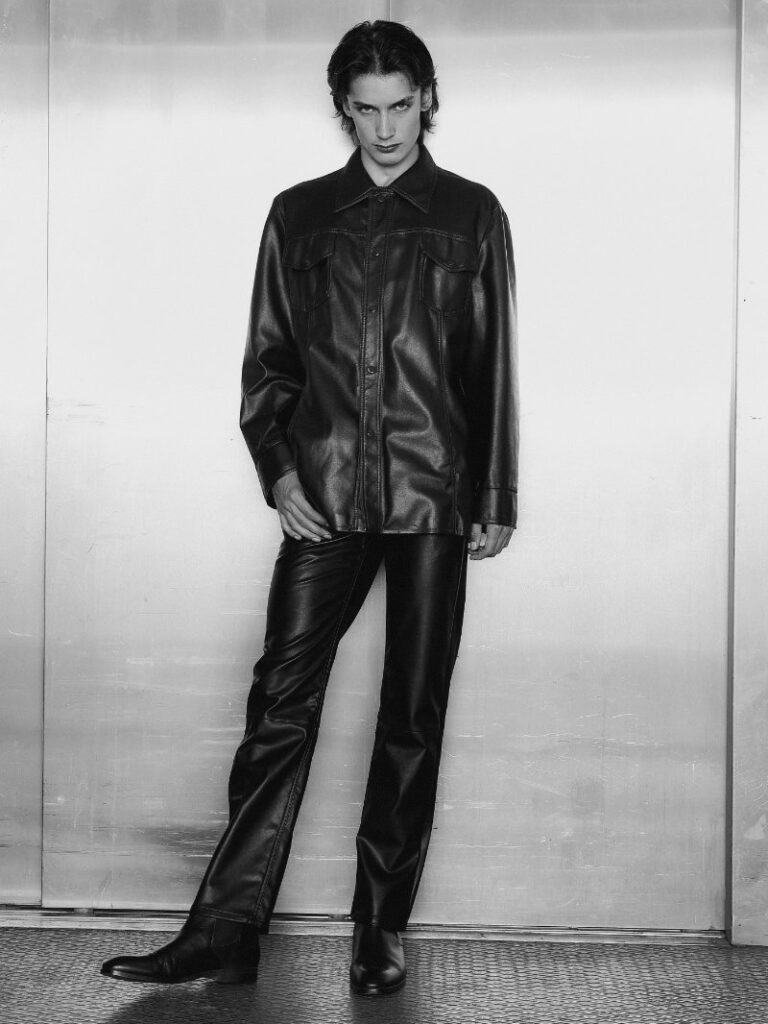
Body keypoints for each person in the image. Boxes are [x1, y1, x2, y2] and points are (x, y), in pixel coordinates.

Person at [101, 18, 518, 996]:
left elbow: (493, 361)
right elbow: (268, 363)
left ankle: (380, 929)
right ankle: (224, 930)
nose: (386, 129)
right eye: (366, 110)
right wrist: (281, 476)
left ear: (428, 100)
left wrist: (495, 491)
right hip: (324, 494)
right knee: (279, 706)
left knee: (411, 713)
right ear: (343, 110)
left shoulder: (471, 213)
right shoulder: (299, 214)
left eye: (401, 106)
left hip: (431, 493)